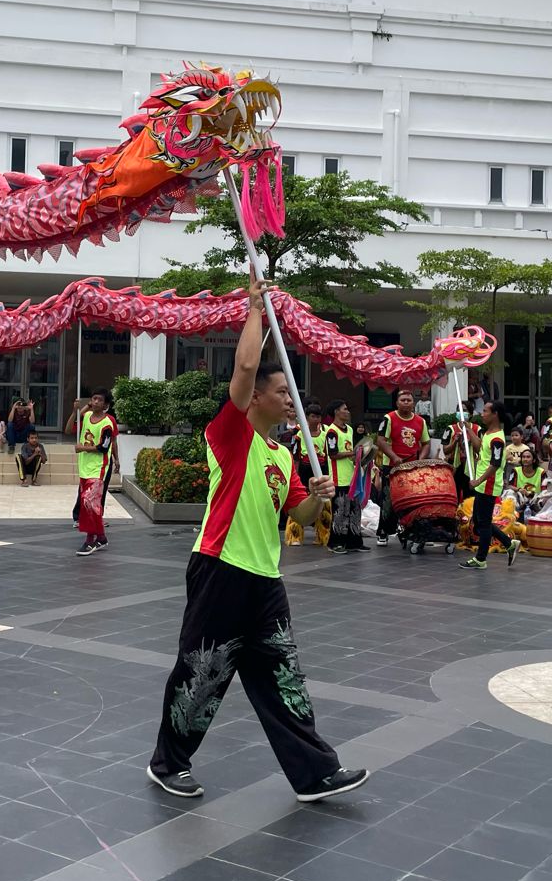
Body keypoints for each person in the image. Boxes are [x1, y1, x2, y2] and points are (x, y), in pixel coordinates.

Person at [145, 274, 367, 804]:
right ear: (257, 400)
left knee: (284, 676)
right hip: (220, 567)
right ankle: (167, 763)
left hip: (265, 578)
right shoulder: (230, 435)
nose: (290, 400)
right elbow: (244, 367)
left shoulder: (283, 455)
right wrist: (253, 310)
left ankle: (315, 772)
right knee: (203, 672)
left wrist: (320, 495)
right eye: (281, 391)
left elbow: (299, 512)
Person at [462, 400, 515, 570]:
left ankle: (481, 559)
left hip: (489, 485)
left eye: (485, 411)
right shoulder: (488, 433)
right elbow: (479, 448)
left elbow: (496, 463)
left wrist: (479, 480)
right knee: (479, 521)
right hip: (482, 485)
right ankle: (509, 543)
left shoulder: (498, 439)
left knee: (483, 523)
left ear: (495, 414)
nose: (482, 414)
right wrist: (469, 431)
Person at [372, 389, 426, 546]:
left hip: (412, 468)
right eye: (403, 400)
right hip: (392, 467)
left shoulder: (420, 421)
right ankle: (383, 532)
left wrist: (420, 460)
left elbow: (426, 443)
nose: (406, 402)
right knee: (389, 500)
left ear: (413, 403)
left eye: (409, 400)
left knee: (410, 502)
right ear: (397, 402)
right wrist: (394, 457)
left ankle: (406, 531)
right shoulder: (389, 419)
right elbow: (380, 440)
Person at [74, 388, 117, 555]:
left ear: (106, 404)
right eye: (94, 398)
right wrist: (76, 409)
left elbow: (104, 447)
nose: (96, 402)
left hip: (98, 468)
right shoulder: (86, 417)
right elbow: (73, 425)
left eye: (100, 400)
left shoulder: (107, 423)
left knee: (89, 503)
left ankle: (90, 540)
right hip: (85, 467)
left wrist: (83, 448)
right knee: (91, 504)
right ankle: (101, 537)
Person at [320, 401, 364, 554]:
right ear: (336, 412)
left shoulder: (350, 429)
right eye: (345, 409)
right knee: (340, 511)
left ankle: (354, 541)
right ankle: (335, 543)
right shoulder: (332, 432)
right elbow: (333, 454)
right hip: (338, 478)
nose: (348, 412)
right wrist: (353, 453)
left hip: (352, 476)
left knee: (354, 510)